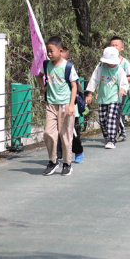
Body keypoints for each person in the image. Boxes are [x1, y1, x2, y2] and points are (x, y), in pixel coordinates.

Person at [38, 36, 78, 176]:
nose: (49, 54)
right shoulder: (46, 65)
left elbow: (74, 86)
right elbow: (39, 76)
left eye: (51, 51)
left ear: (60, 51)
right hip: (51, 104)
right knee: (48, 133)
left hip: (66, 105)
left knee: (66, 136)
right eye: (48, 51)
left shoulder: (68, 66)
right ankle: (53, 161)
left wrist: (71, 105)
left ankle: (67, 163)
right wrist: (43, 87)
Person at [85, 47, 129, 149]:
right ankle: (106, 136)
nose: (108, 64)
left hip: (114, 97)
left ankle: (111, 140)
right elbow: (94, 80)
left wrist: (123, 89)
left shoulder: (119, 69)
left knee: (111, 117)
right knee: (103, 119)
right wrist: (90, 94)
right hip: (102, 97)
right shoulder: (100, 67)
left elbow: (124, 82)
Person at [56, 46, 84, 164]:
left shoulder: (69, 71)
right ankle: (57, 156)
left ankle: (78, 151)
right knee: (57, 133)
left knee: (73, 133)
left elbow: (79, 88)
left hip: (72, 109)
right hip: (57, 107)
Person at [109, 37, 130, 143]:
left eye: (116, 45)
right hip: (109, 90)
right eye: (112, 45)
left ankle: (120, 132)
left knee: (116, 110)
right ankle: (113, 132)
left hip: (121, 90)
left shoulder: (125, 62)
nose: (114, 47)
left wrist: (120, 80)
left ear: (122, 47)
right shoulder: (107, 61)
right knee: (110, 111)